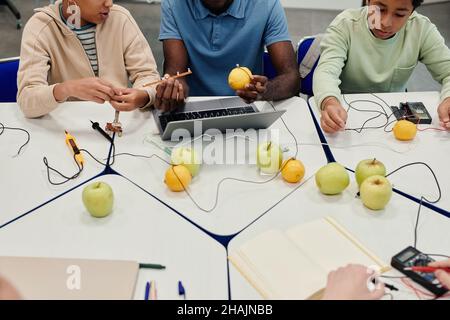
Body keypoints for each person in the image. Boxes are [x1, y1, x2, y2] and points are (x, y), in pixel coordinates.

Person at [313, 0, 450, 133]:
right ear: (368, 1)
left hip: (393, 117)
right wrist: (330, 102)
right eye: (379, 9)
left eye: (400, 14)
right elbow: (326, 72)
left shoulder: (421, 29)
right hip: (345, 114)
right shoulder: (345, 25)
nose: (385, 23)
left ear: (412, 13)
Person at [17, 0, 160, 118]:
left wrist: (144, 95)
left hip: (117, 122)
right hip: (67, 126)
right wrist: (66, 89)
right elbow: (27, 100)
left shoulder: (121, 19)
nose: (109, 3)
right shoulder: (40, 27)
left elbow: (148, 76)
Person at [156, 0, 300, 112]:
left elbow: (291, 77)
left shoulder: (266, 4)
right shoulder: (174, 4)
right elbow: (177, 74)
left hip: (246, 107)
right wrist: (174, 89)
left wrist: (264, 92)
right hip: (194, 105)